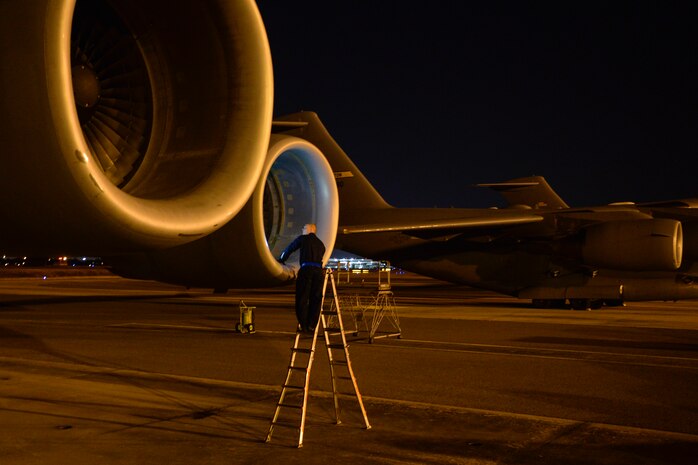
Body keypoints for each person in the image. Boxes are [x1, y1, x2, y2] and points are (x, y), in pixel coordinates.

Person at [278, 223, 326, 332]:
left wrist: (281, 259)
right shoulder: (321, 244)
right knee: (316, 299)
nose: (302, 229)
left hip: (306, 270)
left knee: (302, 298)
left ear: (310, 229)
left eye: (304, 227)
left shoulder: (303, 239)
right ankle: (312, 325)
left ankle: (304, 324)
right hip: (318, 272)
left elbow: (290, 248)